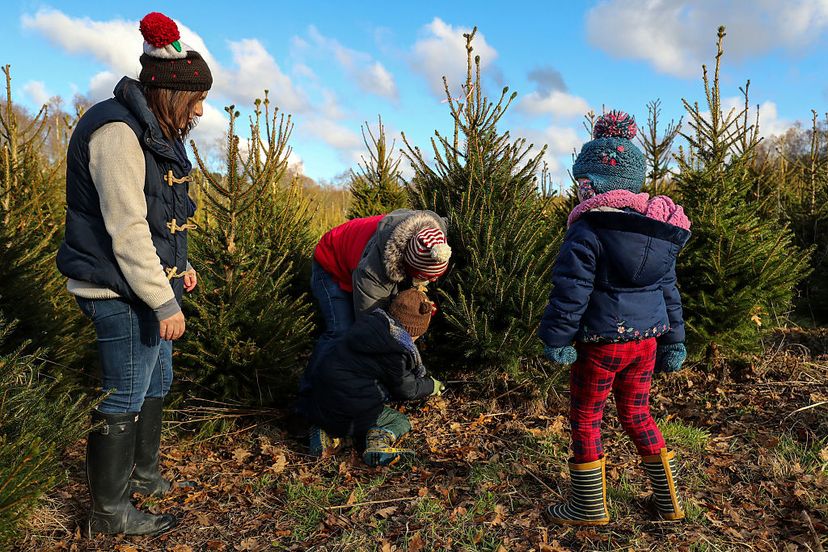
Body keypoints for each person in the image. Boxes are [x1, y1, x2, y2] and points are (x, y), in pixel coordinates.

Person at [56, 11, 212, 537]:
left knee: (157, 378)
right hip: (115, 287)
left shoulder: (155, 133)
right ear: (170, 93)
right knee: (125, 391)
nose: (198, 112)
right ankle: (108, 512)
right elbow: (126, 228)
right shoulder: (118, 133)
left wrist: (180, 269)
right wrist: (162, 300)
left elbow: (164, 213)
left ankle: (143, 474)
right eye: (195, 102)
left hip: (145, 283)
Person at [537, 111, 692, 525]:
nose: (579, 190)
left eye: (582, 182)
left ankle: (588, 507)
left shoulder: (587, 230)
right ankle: (669, 501)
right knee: (637, 413)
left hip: (601, 344)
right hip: (645, 343)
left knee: (587, 416)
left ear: (593, 183)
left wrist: (556, 339)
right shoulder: (657, 230)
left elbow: (571, 291)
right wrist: (674, 340)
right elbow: (669, 290)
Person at [300, 209, 451, 394]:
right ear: (406, 264)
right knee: (341, 331)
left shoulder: (435, 237)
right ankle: (311, 392)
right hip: (330, 261)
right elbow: (373, 332)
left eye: (436, 275)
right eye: (425, 277)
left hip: (359, 259)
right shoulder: (372, 274)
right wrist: (404, 382)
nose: (432, 280)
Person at [299, 288, 445, 466]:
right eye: (417, 336)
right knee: (399, 420)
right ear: (412, 330)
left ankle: (325, 431)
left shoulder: (369, 324)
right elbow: (406, 389)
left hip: (321, 402)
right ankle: (378, 443)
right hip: (351, 411)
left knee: (341, 407)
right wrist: (431, 385)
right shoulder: (395, 350)